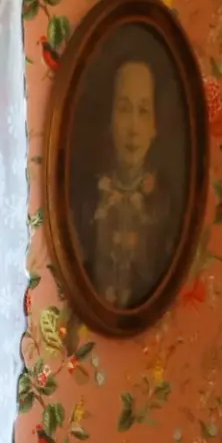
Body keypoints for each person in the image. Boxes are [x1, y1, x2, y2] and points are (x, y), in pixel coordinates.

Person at [83, 51, 176, 307]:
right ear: (111, 119)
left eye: (143, 111)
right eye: (124, 109)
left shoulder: (168, 206)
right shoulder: (87, 201)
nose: (133, 128)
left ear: (154, 125)